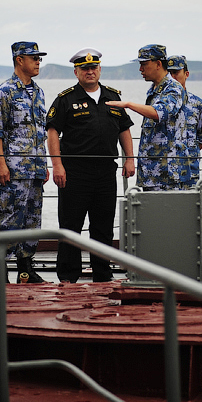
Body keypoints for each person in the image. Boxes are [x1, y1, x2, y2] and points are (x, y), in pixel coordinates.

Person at [46, 48, 136, 283]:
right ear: (76, 72)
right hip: (75, 173)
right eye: (84, 68)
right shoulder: (66, 99)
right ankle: (67, 278)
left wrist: (129, 158)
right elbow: (53, 132)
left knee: (103, 228)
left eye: (93, 67)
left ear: (99, 69)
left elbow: (124, 129)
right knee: (70, 227)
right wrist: (57, 166)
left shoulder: (113, 97)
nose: (89, 71)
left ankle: (102, 276)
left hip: (106, 173)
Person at [0, 41, 50, 283]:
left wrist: (43, 164)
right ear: (19, 60)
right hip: (13, 169)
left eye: (39, 58)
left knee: (32, 221)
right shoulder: (4, 92)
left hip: (34, 169)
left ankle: (26, 268)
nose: (37, 62)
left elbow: (40, 131)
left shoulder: (39, 92)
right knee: (7, 220)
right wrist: (1, 164)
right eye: (33, 57)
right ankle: (0, 273)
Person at [108, 44, 190, 191]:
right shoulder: (154, 89)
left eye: (144, 64)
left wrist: (128, 104)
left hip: (168, 177)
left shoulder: (173, 88)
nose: (141, 69)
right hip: (152, 175)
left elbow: (159, 112)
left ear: (158, 64)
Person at [166, 55, 202, 186]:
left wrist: (189, 153)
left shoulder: (198, 104)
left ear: (186, 74)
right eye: (169, 73)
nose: (172, 77)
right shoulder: (158, 104)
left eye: (175, 72)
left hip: (189, 172)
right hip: (162, 173)